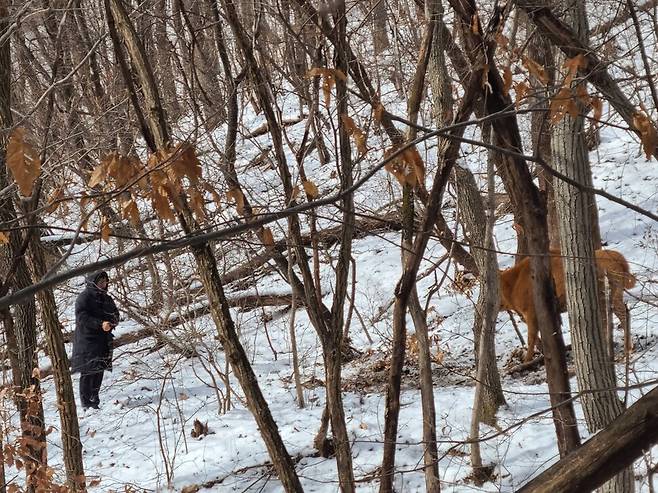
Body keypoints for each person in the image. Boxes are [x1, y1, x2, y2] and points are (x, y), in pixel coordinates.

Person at [71, 271, 119, 411]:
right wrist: (100, 324)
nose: (104, 285)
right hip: (87, 341)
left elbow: (114, 314)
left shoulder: (106, 298)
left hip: (103, 340)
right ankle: (86, 402)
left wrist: (112, 322)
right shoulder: (84, 298)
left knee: (99, 369)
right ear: (93, 282)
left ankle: (94, 398)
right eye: (100, 282)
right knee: (88, 371)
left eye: (105, 282)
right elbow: (82, 317)